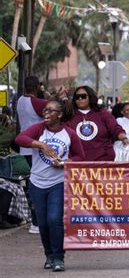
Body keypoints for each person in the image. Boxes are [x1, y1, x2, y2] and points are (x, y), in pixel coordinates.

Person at [15, 98, 85, 272]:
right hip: (37, 182)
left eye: (51, 111)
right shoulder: (39, 129)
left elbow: (80, 157)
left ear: (59, 115)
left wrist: (64, 162)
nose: (46, 113)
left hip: (58, 182)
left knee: (54, 220)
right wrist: (41, 144)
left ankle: (59, 258)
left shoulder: (69, 134)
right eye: (45, 110)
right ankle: (49, 256)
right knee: (44, 223)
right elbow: (20, 138)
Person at [67, 86, 128, 161]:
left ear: (90, 97)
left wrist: (122, 136)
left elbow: (115, 128)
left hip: (102, 161)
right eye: (77, 97)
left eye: (83, 96)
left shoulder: (103, 114)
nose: (80, 99)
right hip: (79, 163)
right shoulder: (70, 116)